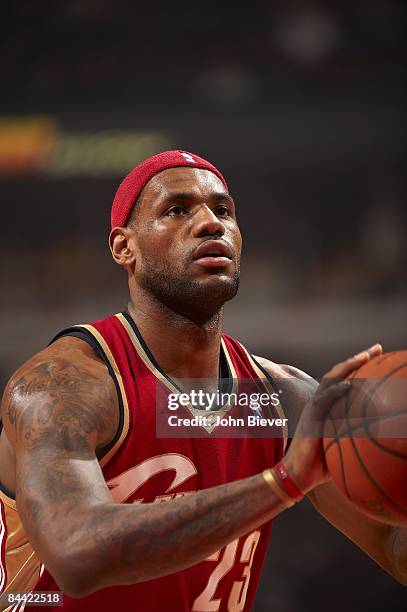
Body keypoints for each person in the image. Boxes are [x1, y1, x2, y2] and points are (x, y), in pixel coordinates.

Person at [0, 150, 405, 612]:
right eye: (177, 210)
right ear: (123, 248)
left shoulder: (283, 398)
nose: (211, 223)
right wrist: (285, 481)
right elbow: (76, 556)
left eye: (224, 210)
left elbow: (394, 548)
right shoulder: (62, 385)